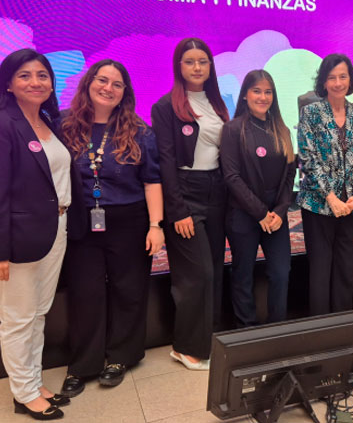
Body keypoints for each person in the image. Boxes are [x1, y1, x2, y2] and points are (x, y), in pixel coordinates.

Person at [0, 49, 83, 420]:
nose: (35, 82)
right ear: (8, 82)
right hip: (16, 238)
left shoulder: (49, 122)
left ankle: (32, 382)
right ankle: (22, 393)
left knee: (38, 313)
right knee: (18, 316)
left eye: (42, 75)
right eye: (24, 75)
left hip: (56, 228)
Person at [59, 60, 164, 396]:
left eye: (117, 84)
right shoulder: (64, 126)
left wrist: (156, 225)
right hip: (81, 222)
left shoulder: (139, 131)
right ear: (89, 84)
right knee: (85, 292)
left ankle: (121, 356)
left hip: (129, 221)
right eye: (102, 80)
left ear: (124, 93)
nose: (108, 88)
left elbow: (152, 181)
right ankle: (83, 364)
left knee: (129, 290)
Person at [151, 38, 229, 370]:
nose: (197, 67)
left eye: (203, 61)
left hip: (217, 191)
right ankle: (185, 347)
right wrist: (178, 210)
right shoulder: (165, 107)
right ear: (178, 67)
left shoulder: (219, 103)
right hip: (185, 192)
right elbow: (165, 162)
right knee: (196, 275)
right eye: (189, 61)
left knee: (214, 272)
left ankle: (208, 338)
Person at [298, 54, 353, 316]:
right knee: (320, 269)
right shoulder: (311, 112)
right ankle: (320, 327)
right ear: (324, 81)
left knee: (345, 267)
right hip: (319, 204)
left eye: (343, 76)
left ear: (351, 79)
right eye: (332, 77)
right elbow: (307, 158)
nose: (338, 82)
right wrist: (330, 197)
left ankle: (342, 323)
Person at [220, 70, 296, 327]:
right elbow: (231, 177)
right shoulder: (232, 130)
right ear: (245, 95)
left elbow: (289, 175)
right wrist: (260, 213)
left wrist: (280, 211)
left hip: (276, 216)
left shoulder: (282, 130)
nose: (262, 97)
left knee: (280, 273)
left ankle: (277, 329)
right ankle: (247, 331)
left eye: (268, 92)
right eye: (257, 91)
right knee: (243, 274)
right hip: (244, 215)